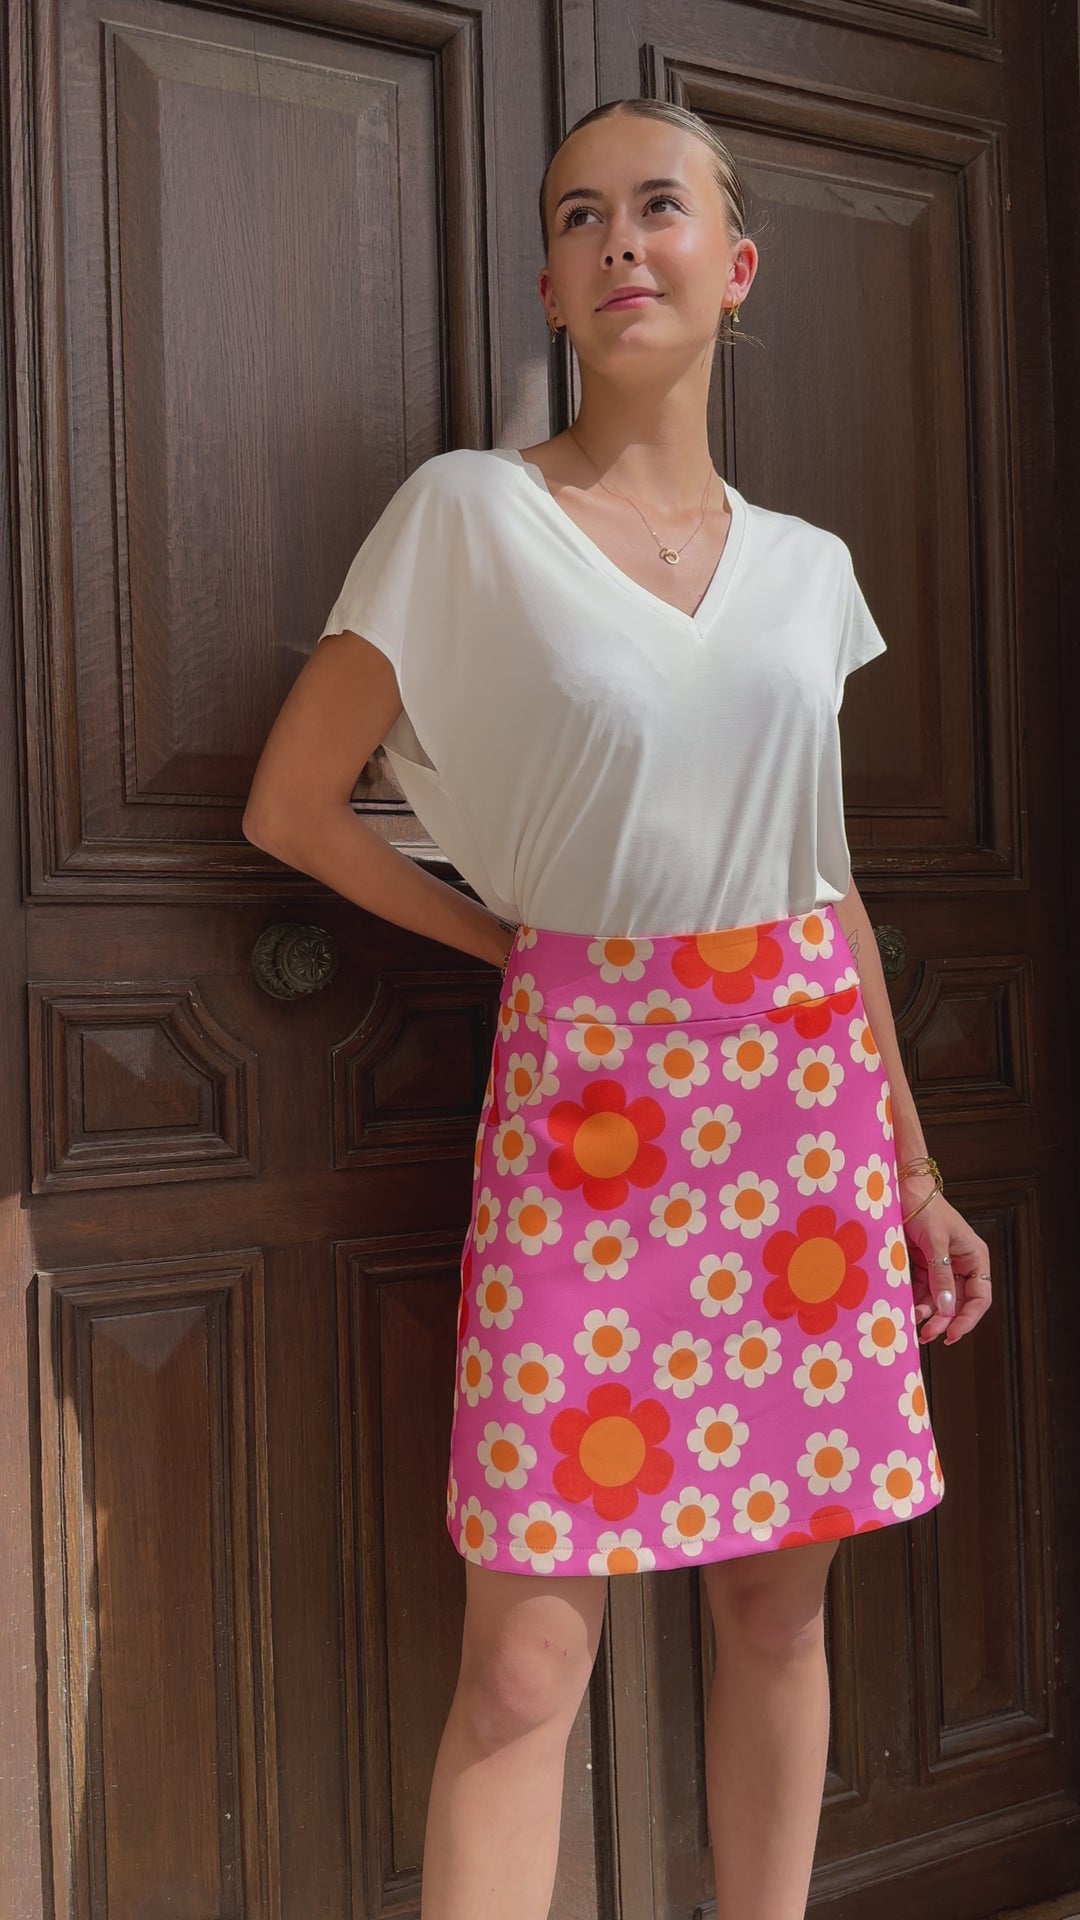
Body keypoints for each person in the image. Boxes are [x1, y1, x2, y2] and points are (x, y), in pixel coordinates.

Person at [244, 97, 993, 1920]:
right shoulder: (466, 513)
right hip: (587, 1120)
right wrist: (515, 950)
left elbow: (826, 881)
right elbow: (292, 807)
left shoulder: (810, 570)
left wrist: (912, 1169)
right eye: (580, 217)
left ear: (737, 270)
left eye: (660, 208)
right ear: (551, 286)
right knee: (523, 1661)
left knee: (778, 1606)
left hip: (804, 1115)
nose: (619, 243)